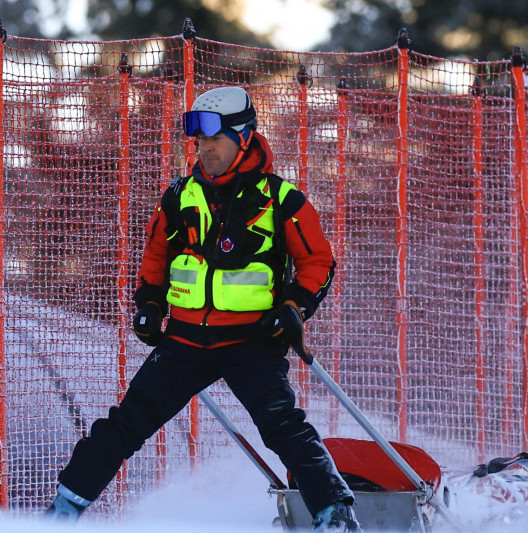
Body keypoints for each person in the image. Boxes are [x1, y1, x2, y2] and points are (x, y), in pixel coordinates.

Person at [47, 86, 361, 532]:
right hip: (185, 340)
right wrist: (150, 302)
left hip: (253, 340)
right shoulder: (179, 196)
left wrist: (295, 306)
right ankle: (60, 514)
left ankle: (336, 517)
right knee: (124, 425)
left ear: (244, 137)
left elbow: (318, 261)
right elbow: (155, 256)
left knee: (283, 429)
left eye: (214, 137)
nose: (204, 147)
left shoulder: (281, 199)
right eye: (198, 139)